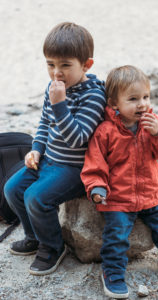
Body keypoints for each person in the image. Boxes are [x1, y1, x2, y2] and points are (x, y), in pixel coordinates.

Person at [81, 65, 158, 299]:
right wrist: (96, 187)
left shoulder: (151, 123)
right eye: (133, 99)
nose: (142, 104)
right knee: (116, 236)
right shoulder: (105, 131)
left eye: (146, 97)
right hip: (117, 197)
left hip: (150, 194)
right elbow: (94, 164)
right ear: (114, 104)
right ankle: (112, 273)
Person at [4, 22, 106, 276]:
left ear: (87, 65)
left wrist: (59, 104)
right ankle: (35, 237)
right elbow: (44, 124)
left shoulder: (92, 96)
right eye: (50, 64)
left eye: (65, 65)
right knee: (13, 188)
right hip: (49, 160)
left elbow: (78, 139)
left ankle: (52, 247)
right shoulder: (53, 89)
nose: (56, 73)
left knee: (36, 197)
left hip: (74, 168)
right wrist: (36, 149)